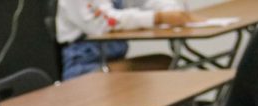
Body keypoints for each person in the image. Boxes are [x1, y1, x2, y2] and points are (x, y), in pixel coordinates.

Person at [55, 0, 190, 80]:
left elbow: (149, 2)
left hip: (112, 61)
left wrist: (174, 12)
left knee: (166, 65)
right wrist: (158, 17)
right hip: (85, 68)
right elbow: (103, 22)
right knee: (163, 69)